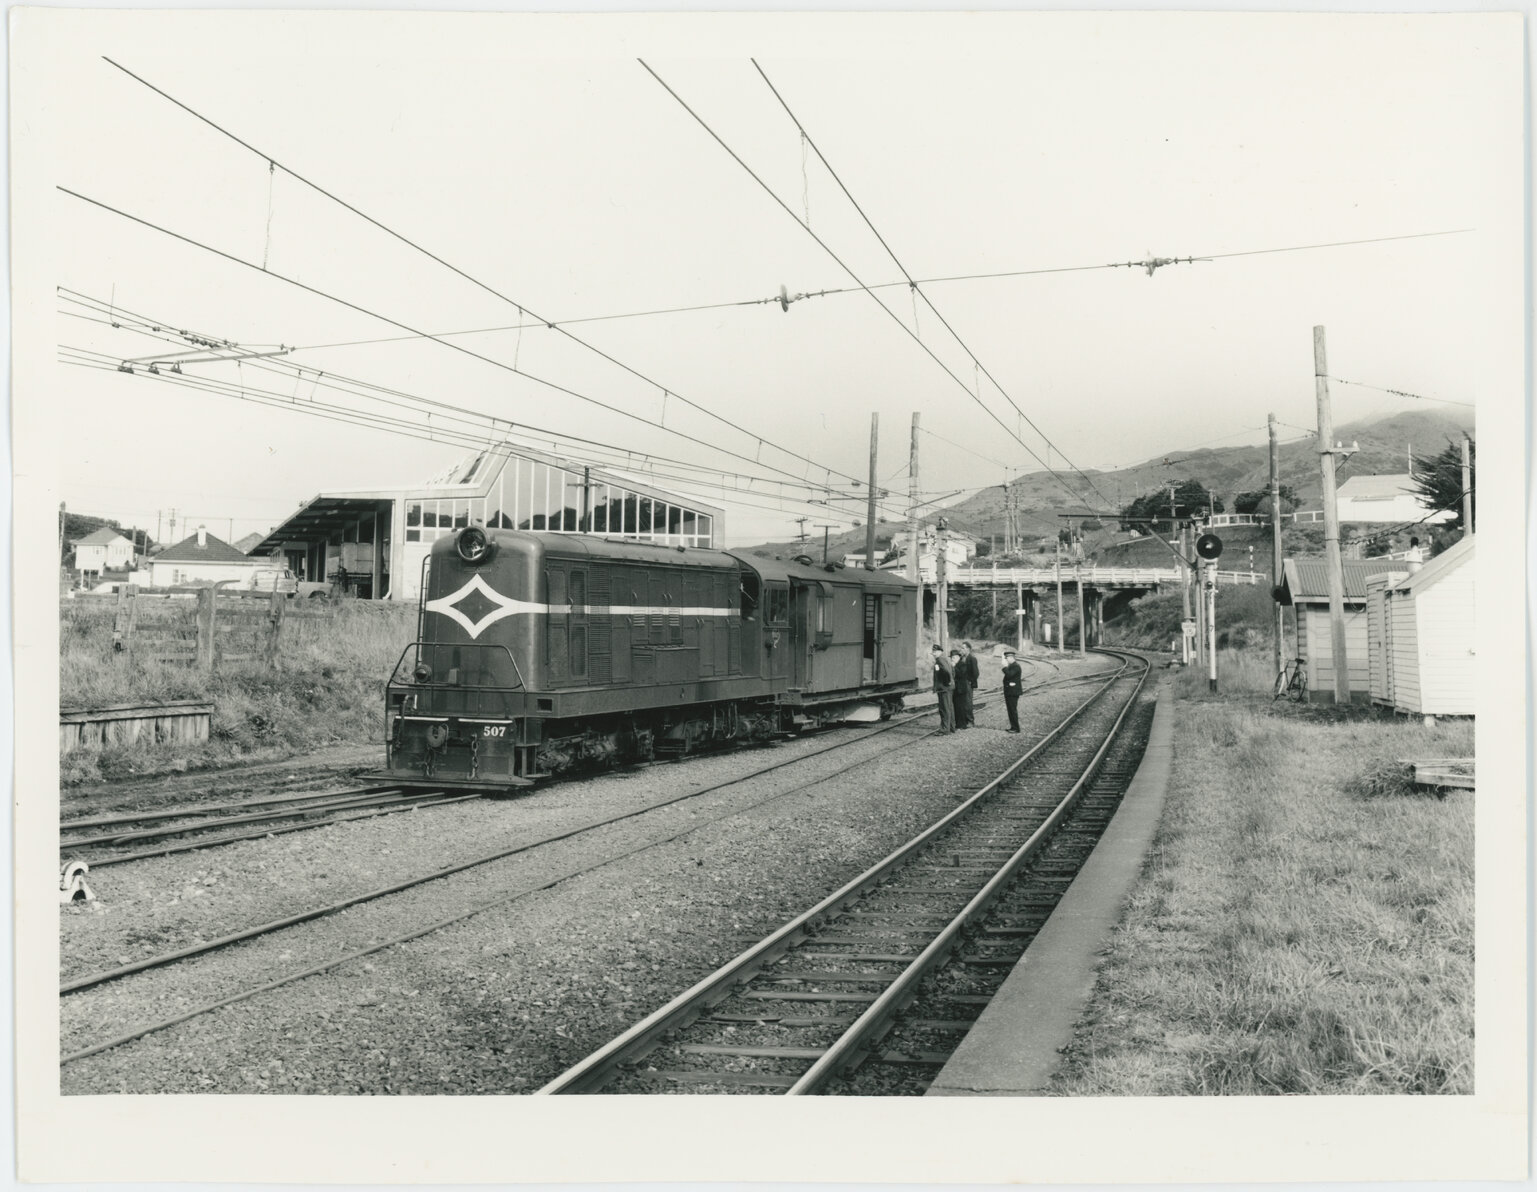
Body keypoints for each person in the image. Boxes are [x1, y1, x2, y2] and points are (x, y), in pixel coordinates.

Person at [954, 641, 979, 729]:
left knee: (968, 702)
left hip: (968, 683)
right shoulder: (961, 658)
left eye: (963, 648)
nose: (961, 650)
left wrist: (970, 681)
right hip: (961, 683)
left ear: (968, 649)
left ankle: (970, 721)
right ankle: (963, 721)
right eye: (961, 648)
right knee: (962, 702)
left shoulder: (972, 659)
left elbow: (976, 673)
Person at [930, 645, 955, 733]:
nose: (933, 654)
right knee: (949, 707)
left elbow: (946, 672)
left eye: (935, 652)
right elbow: (952, 671)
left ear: (940, 652)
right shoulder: (945, 659)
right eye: (933, 652)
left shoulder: (940, 660)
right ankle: (951, 727)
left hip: (944, 688)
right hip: (947, 688)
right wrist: (950, 681)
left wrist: (947, 682)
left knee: (944, 708)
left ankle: (945, 729)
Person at [1001, 648, 1023, 733]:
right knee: (1010, 710)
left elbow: (1009, 675)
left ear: (1011, 657)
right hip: (1010, 691)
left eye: (1007, 658)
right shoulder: (1012, 666)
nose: (1006, 660)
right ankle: (1013, 727)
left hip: (1013, 692)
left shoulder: (1016, 666)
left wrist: (1004, 667)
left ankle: (1016, 728)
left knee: (1012, 710)